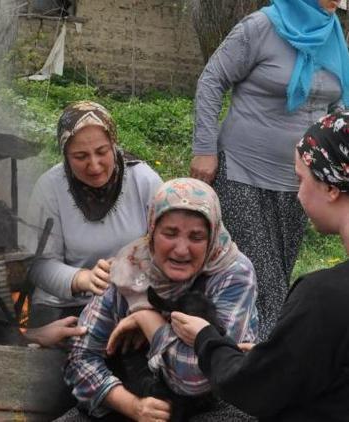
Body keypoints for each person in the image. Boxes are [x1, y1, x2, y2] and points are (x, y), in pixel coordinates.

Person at [172, 111, 349, 422]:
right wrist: (275, 355)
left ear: (331, 187)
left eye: (300, 179)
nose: (298, 193)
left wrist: (206, 338)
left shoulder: (324, 297)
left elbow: (254, 390)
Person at [190, 0, 349, 339]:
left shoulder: (333, 35)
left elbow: (337, 107)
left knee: (278, 271)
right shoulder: (261, 27)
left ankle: (244, 360)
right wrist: (204, 148)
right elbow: (212, 80)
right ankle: (259, 365)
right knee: (260, 279)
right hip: (241, 172)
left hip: (303, 184)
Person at [64, 178, 259, 421]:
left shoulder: (233, 274)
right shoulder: (130, 268)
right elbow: (79, 358)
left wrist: (147, 320)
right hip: (133, 396)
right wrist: (132, 406)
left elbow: (200, 377)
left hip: (213, 404)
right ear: (152, 231)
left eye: (196, 237)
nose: (181, 249)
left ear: (212, 237)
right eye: (170, 233)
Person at [25, 101, 162, 328]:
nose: (95, 166)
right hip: (63, 305)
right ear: (65, 155)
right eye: (80, 157)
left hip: (132, 299)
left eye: (102, 152)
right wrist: (82, 279)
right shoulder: (50, 188)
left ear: (113, 144)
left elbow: (168, 244)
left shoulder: (143, 181)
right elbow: (38, 265)